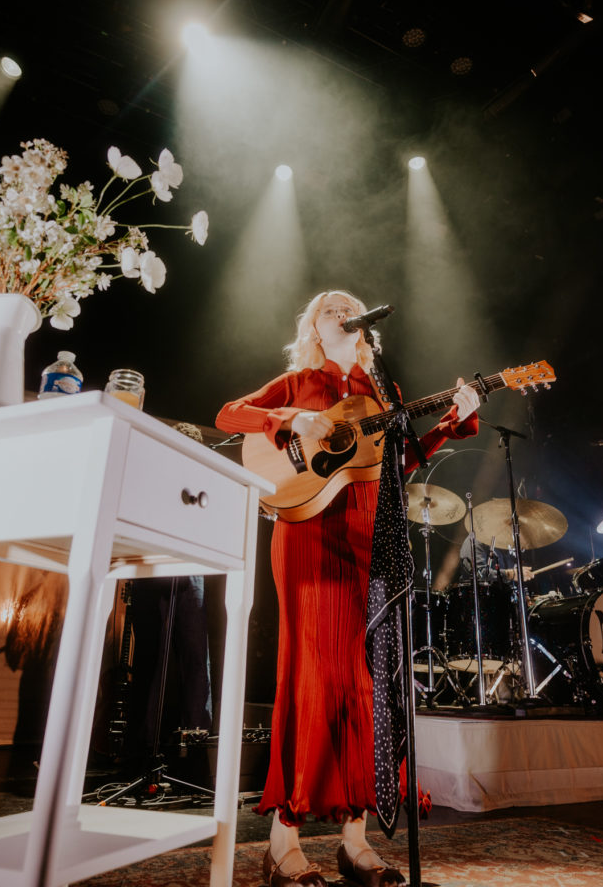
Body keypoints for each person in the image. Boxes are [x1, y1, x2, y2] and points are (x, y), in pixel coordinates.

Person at [216, 290, 480, 887]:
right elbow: (230, 415)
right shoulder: (298, 381)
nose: (340, 310)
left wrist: (449, 422)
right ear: (313, 326)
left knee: (369, 683)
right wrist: (290, 419)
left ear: (362, 328)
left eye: (348, 305)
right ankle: (283, 842)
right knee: (311, 676)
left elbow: (396, 465)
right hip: (309, 535)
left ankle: (355, 843)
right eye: (329, 306)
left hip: (370, 539)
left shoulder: (380, 391)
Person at [458, 536, 533, 585]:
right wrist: (510, 574)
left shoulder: (504, 545)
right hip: (482, 599)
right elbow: (478, 574)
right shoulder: (475, 540)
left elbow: (510, 583)